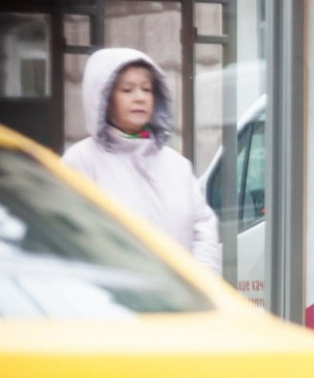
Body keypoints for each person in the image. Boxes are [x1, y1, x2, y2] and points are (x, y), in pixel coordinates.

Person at [63, 47, 220, 273]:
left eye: (146, 89)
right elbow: (66, 238)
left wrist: (203, 285)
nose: (140, 97)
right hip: (113, 302)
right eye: (127, 90)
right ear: (104, 99)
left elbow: (203, 228)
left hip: (181, 302)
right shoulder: (81, 162)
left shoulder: (177, 165)